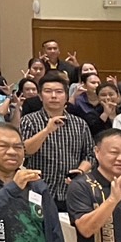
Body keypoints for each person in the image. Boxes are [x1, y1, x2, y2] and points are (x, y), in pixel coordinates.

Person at [21, 74, 95, 208]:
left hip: (71, 191)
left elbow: (90, 155)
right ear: (40, 96)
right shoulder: (29, 121)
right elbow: (25, 151)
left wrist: (80, 171)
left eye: (59, 92)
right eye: (48, 91)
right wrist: (46, 130)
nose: (54, 96)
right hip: (38, 190)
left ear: (66, 97)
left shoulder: (80, 124)